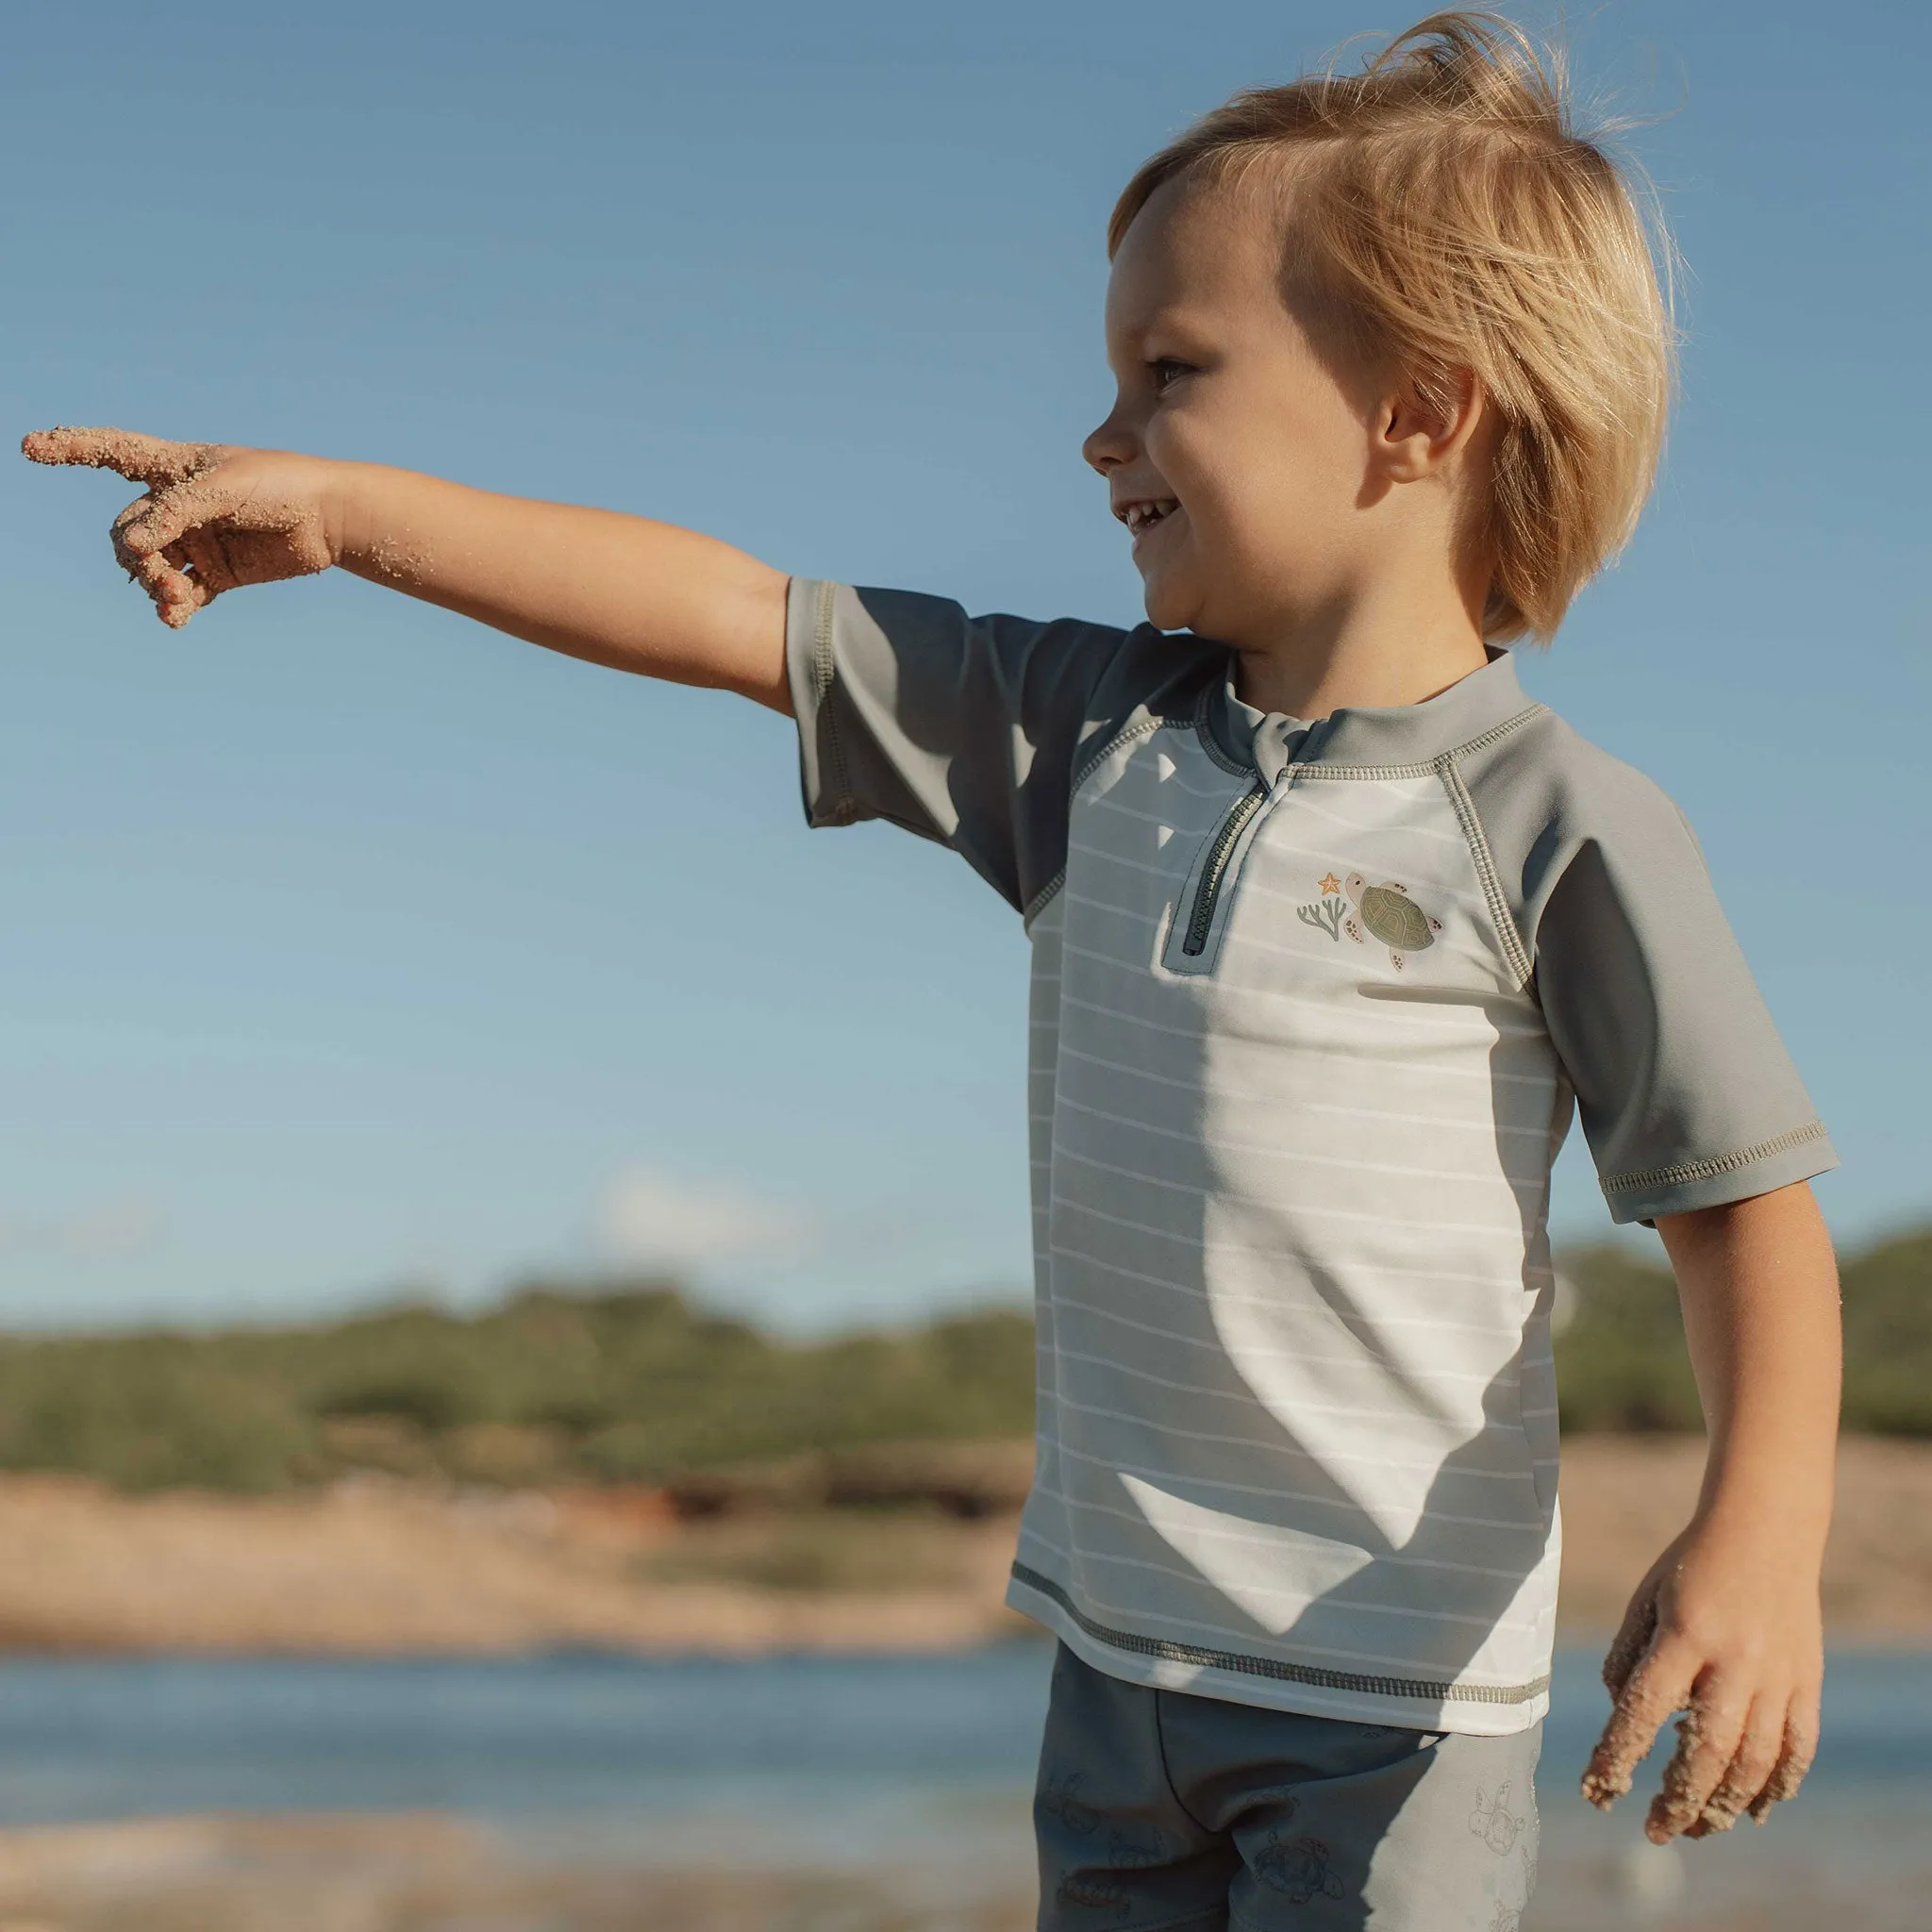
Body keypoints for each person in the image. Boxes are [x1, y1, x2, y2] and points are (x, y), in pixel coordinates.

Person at [25, 10, 1842, 1927]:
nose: (1102, 432)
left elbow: (1743, 1203)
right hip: (1114, 1670)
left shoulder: (1554, 821)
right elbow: (734, 611)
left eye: (1172, 369)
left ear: (1418, 414)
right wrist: (353, 512)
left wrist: (1760, 1531)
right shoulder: (1082, 739)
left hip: (1384, 1701)